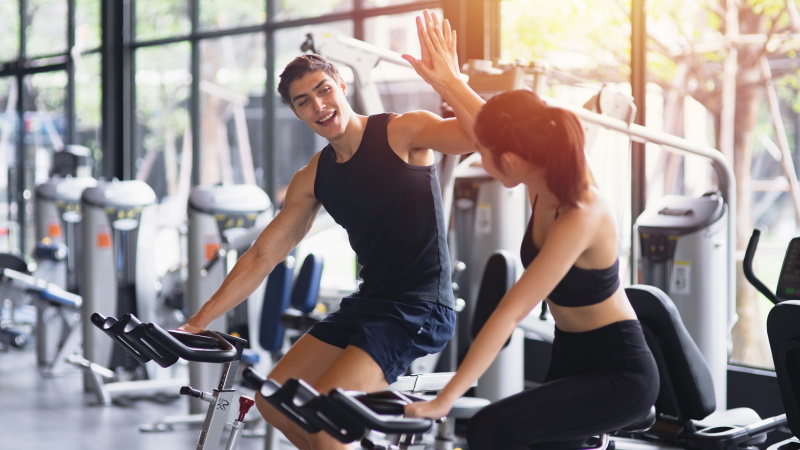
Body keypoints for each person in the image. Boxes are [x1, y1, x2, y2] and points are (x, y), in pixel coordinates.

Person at [180, 53, 474, 450]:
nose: (319, 105)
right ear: (296, 113)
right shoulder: (314, 176)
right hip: (369, 303)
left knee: (325, 420)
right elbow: (262, 256)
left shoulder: (402, 131)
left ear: (342, 87)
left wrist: (451, 83)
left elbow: (479, 135)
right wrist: (197, 322)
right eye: (304, 101)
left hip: (419, 307)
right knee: (274, 398)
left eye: (324, 90)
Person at [402, 11, 660, 449]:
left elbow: (512, 311)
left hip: (618, 373)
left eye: (487, 154)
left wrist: (443, 400)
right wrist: (445, 80)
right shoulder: (537, 177)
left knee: (489, 429)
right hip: (571, 356)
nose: (479, 156)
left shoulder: (581, 211)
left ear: (513, 160)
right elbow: (484, 121)